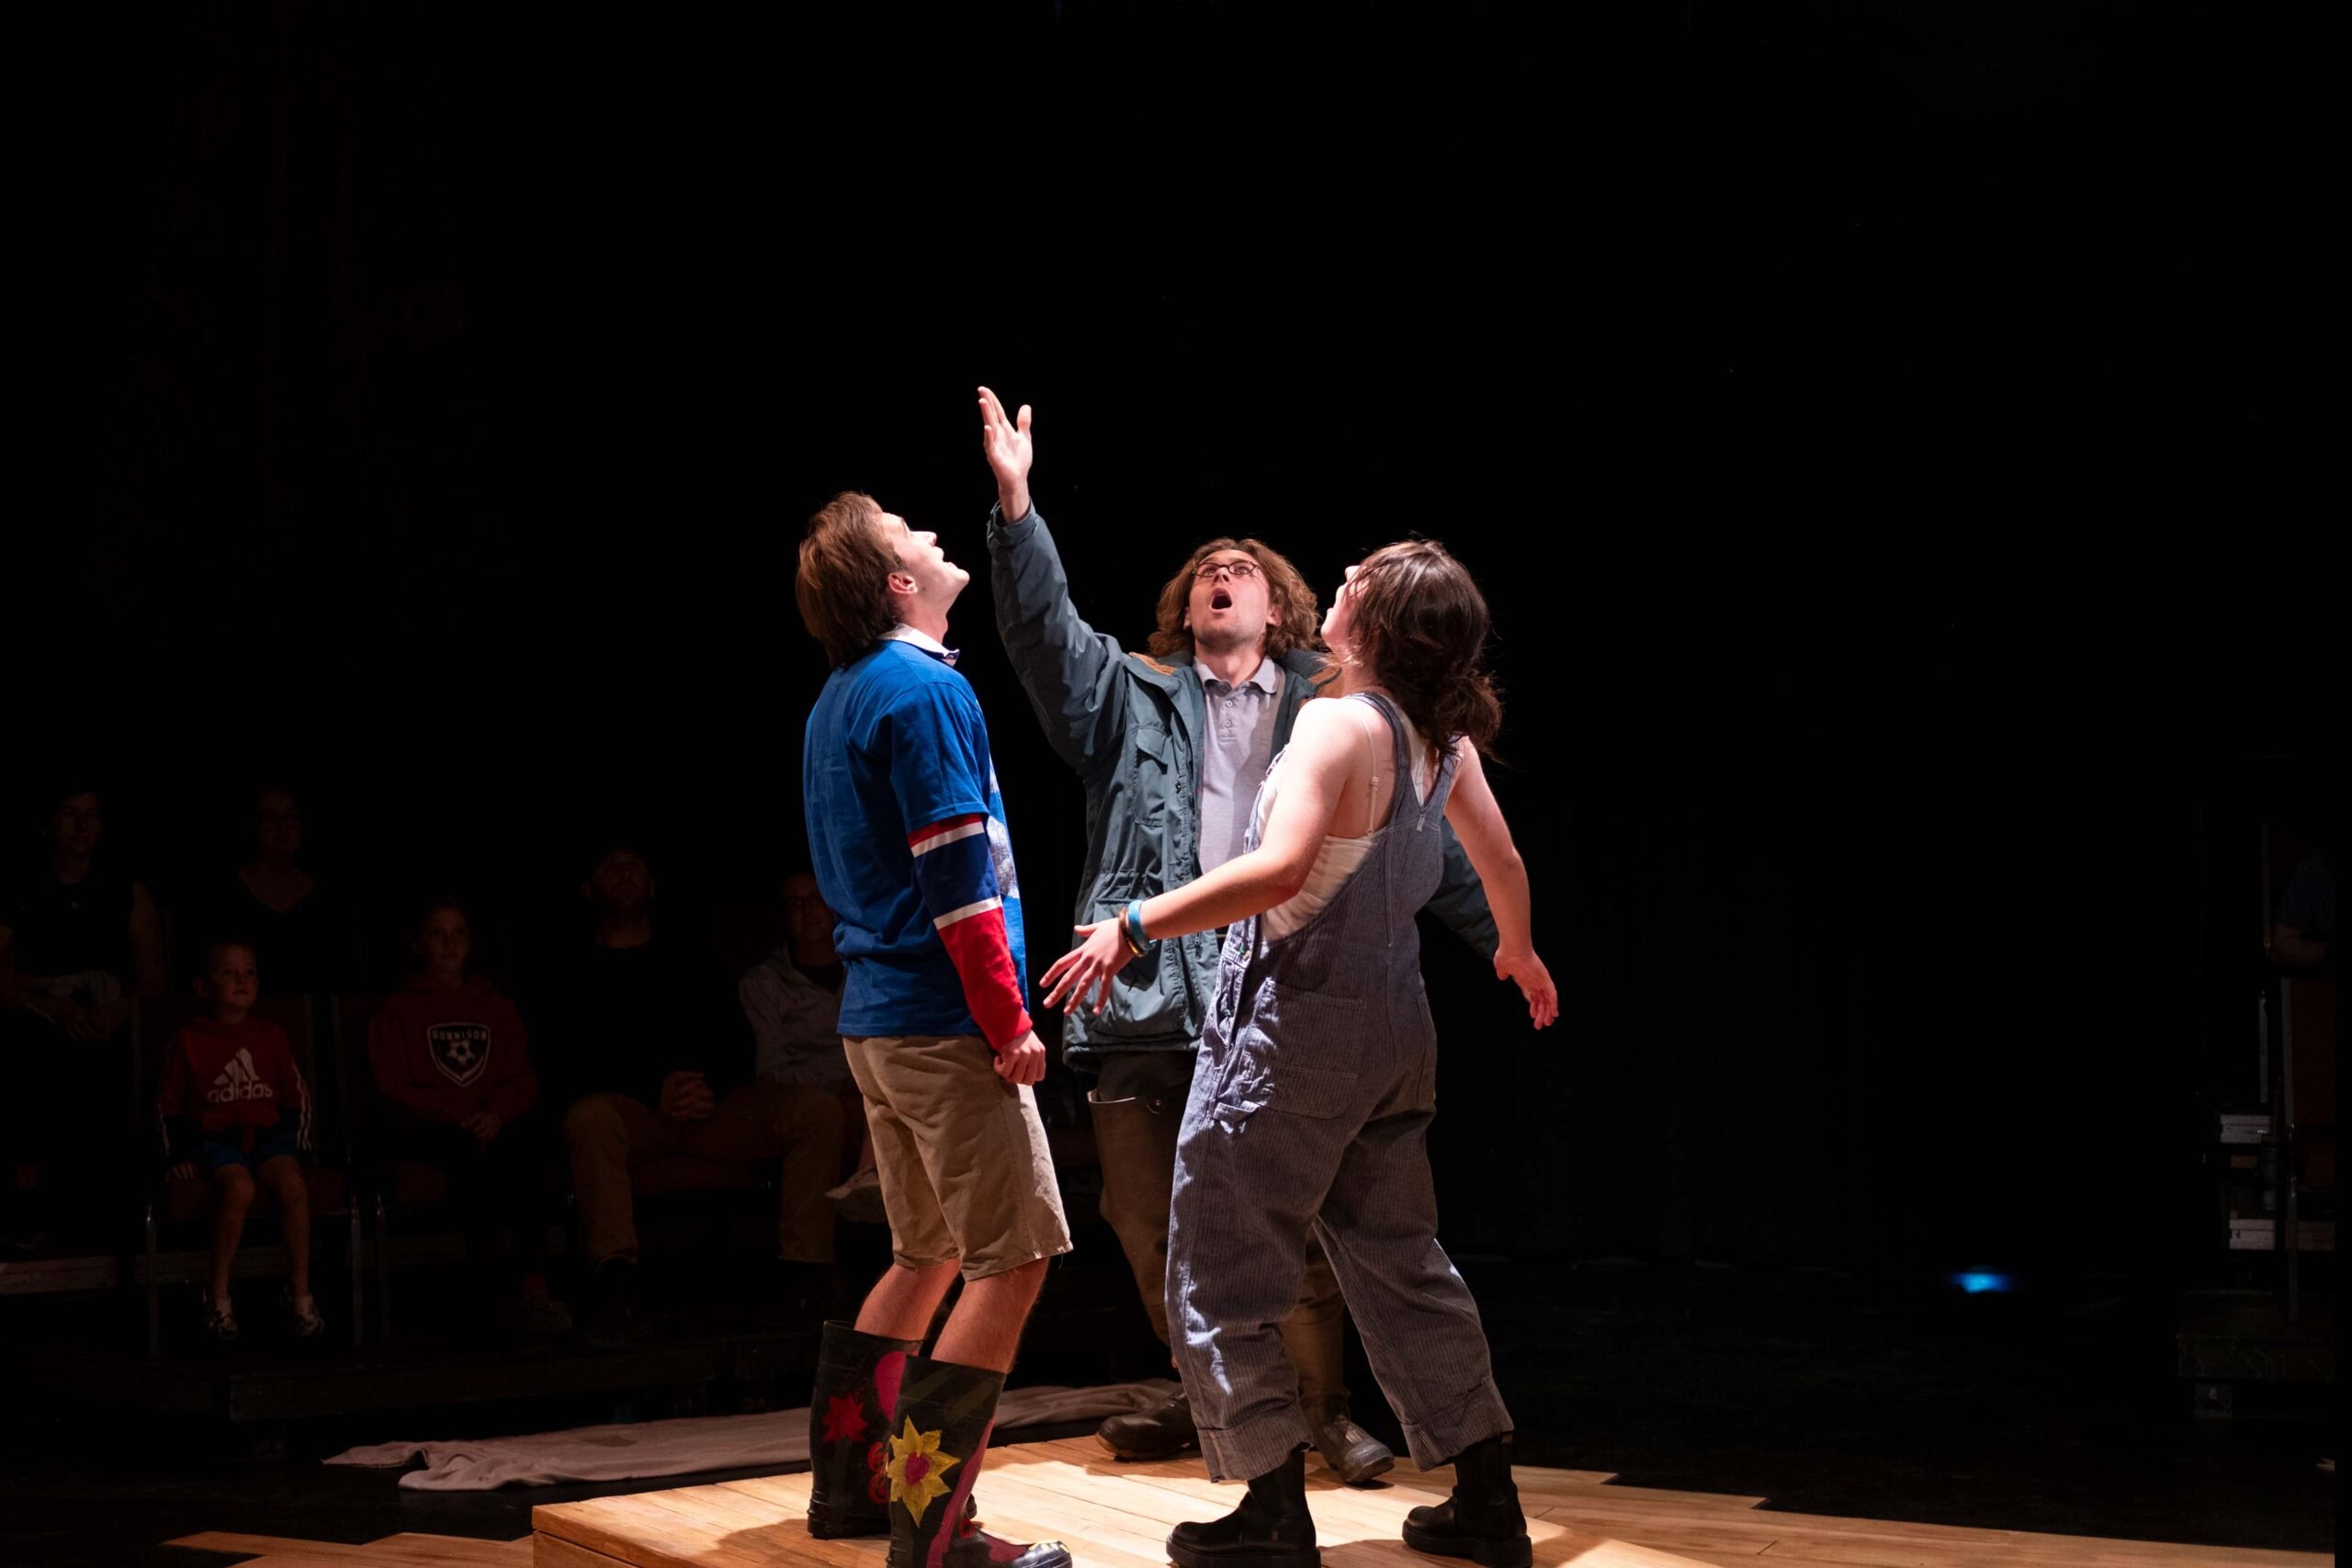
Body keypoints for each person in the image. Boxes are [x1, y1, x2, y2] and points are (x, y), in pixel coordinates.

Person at [978, 386, 1500, 1480]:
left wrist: (1502, 938)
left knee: (1295, 1230)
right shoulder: (1129, 691)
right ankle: (1229, 1406)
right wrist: (1019, 508)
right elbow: (1042, 637)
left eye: (1248, 569)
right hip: (1147, 998)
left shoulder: (1335, 707)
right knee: (1144, 1219)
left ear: (1288, 608)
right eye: (1208, 569)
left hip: (1272, 988)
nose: (1225, 574)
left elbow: (1441, 845)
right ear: (1186, 602)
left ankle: (1308, 1425)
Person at [1044, 541, 1559, 1568]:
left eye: (1359, 578)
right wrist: (1516, 949)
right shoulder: (1435, 737)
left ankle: (1272, 1508)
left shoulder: (1336, 721)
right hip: (1395, 1037)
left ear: (1375, 626)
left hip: (1294, 1039)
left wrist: (1134, 925)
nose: (1342, 579)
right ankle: (1489, 1496)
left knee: (1220, 1266)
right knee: (1404, 1262)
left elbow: (1276, 874)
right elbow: (1499, 859)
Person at [796, 489, 1069, 1568]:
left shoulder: (845, 693)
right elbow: (957, 877)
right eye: (913, 534)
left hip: (877, 1019)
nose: (933, 535)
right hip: (939, 1019)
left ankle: (854, 1496)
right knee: (1011, 1261)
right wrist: (1007, 1021)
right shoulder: (917, 691)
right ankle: (935, 1531)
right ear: (898, 583)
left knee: (928, 1254)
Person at [538, 840, 844, 1351]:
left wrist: (708, 1088)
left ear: (653, 886)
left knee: (814, 1110)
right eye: (611, 865)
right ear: (588, 890)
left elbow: (734, 1039)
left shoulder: (690, 956)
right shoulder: (571, 971)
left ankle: (807, 1277)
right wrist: (651, 1091)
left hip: (709, 1111)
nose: (625, 871)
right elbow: (565, 1064)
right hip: (633, 1114)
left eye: (635, 863)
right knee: (589, 1118)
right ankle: (617, 1286)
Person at [366, 897, 571, 1337]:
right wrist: (461, 1112)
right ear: (419, 944)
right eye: (438, 934)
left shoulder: (496, 1005)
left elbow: (522, 1078)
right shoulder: (398, 1008)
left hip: (490, 1120)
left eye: (458, 933)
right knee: (471, 1160)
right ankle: (493, 1294)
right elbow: (393, 1086)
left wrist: (496, 1113)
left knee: (529, 1148)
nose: (449, 943)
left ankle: (534, 1289)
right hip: (429, 1127)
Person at [2, 784, 168, 1249]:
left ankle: (112, 1219)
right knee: (33, 1060)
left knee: (119, 1069)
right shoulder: (22, 888)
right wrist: (53, 1006)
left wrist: (118, 1010)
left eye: (91, 815)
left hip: (112, 1027)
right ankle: (34, 1218)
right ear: (48, 824)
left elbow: (153, 979)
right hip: (39, 1027)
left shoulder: (126, 889)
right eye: (70, 814)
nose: (81, 826)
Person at [157, 941, 322, 1341]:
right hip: (217, 1142)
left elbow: (296, 1095)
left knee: (294, 1185)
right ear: (203, 985)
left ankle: (299, 1293)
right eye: (228, 972)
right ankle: (217, 1295)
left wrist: (297, 1145)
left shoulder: (270, 1035)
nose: (241, 980)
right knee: (239, 1188)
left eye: (248, 972)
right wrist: (178, 1154)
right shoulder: (189, 1039)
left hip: (269, 1139)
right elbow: (168, 1105)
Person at [738, 870, 881, 1223]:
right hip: (807, 1097)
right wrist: (839, 1083)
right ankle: (812, 1262)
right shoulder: (766, 982)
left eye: (816, 899)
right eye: (796, 904)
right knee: (827, 1113)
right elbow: (771, 1070)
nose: (808, 911)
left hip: (868, 1090)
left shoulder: (865, 970)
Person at [195, 785, 355, 999]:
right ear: (253, 825)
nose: (283, 826)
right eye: (270, 817)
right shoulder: (225, 895)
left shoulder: (328, 898)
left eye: (291, 817)